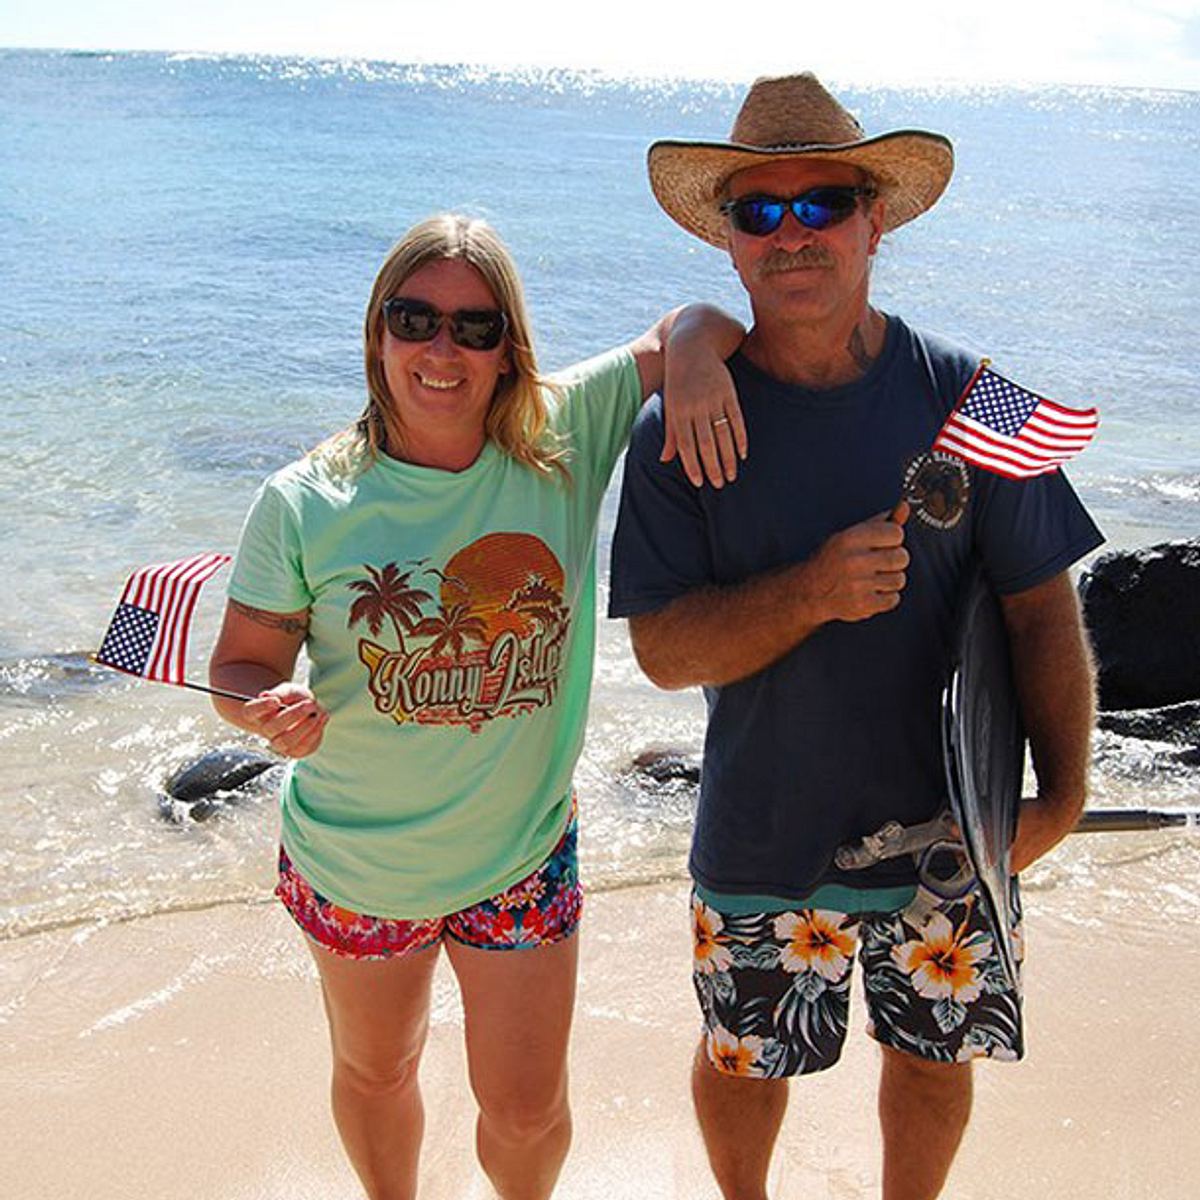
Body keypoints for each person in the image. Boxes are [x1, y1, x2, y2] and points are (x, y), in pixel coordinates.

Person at [609, 74, 1104, 1200]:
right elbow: (663, 652)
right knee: (745, 1061)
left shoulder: (977, 401)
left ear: (876, 220)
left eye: (822, 202)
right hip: (760, 831)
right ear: (729, 243)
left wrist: (1062, 797)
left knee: (935, 1058)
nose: (793, 236)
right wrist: (810, 592)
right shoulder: (677, 428)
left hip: (950, 833)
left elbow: (1043, 608)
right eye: (760, 212)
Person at [208, 213, 743, 1200]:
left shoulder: (562, 437)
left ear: (509, 350)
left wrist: (702, 360)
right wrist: (263, 708)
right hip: (358, 862)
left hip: (521, 855)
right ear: (378, 335)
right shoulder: (306, 500)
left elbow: (691, 322)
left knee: (529, 1110)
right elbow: (238, 664)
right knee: (379, 1073)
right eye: (414, 319)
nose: (440, 348)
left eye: (473, 326)